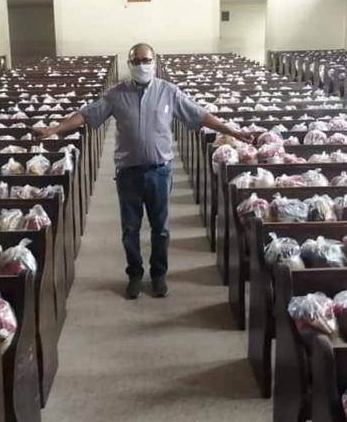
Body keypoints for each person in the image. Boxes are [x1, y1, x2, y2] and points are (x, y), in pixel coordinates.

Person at [33, 43, 254, 299]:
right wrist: (54, 130)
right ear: (129, 64)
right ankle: (135, 274)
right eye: (136, 61)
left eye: (146, 60)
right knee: (130, 229)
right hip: (128, 173)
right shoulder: (117, 94)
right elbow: (86, 114)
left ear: (154, 61)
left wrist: (231, 130)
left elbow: (200, 115)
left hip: (160, 171)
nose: (142, 65)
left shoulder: (168, 91)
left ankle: (159, 274)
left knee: (160, 228)